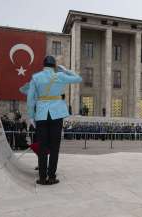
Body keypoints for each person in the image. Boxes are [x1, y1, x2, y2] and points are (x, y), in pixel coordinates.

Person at [27, 55, 82, 185]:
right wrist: (66, 70)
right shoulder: (60, 76)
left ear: (43, 65)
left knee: (42, 147)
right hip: (57, 114)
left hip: (41, 115)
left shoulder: (36, 78)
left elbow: (30, 99)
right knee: (54, 147)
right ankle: (51, 177)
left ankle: (42, 177)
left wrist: (30, 116)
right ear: (54, 66)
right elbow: (78, 79)